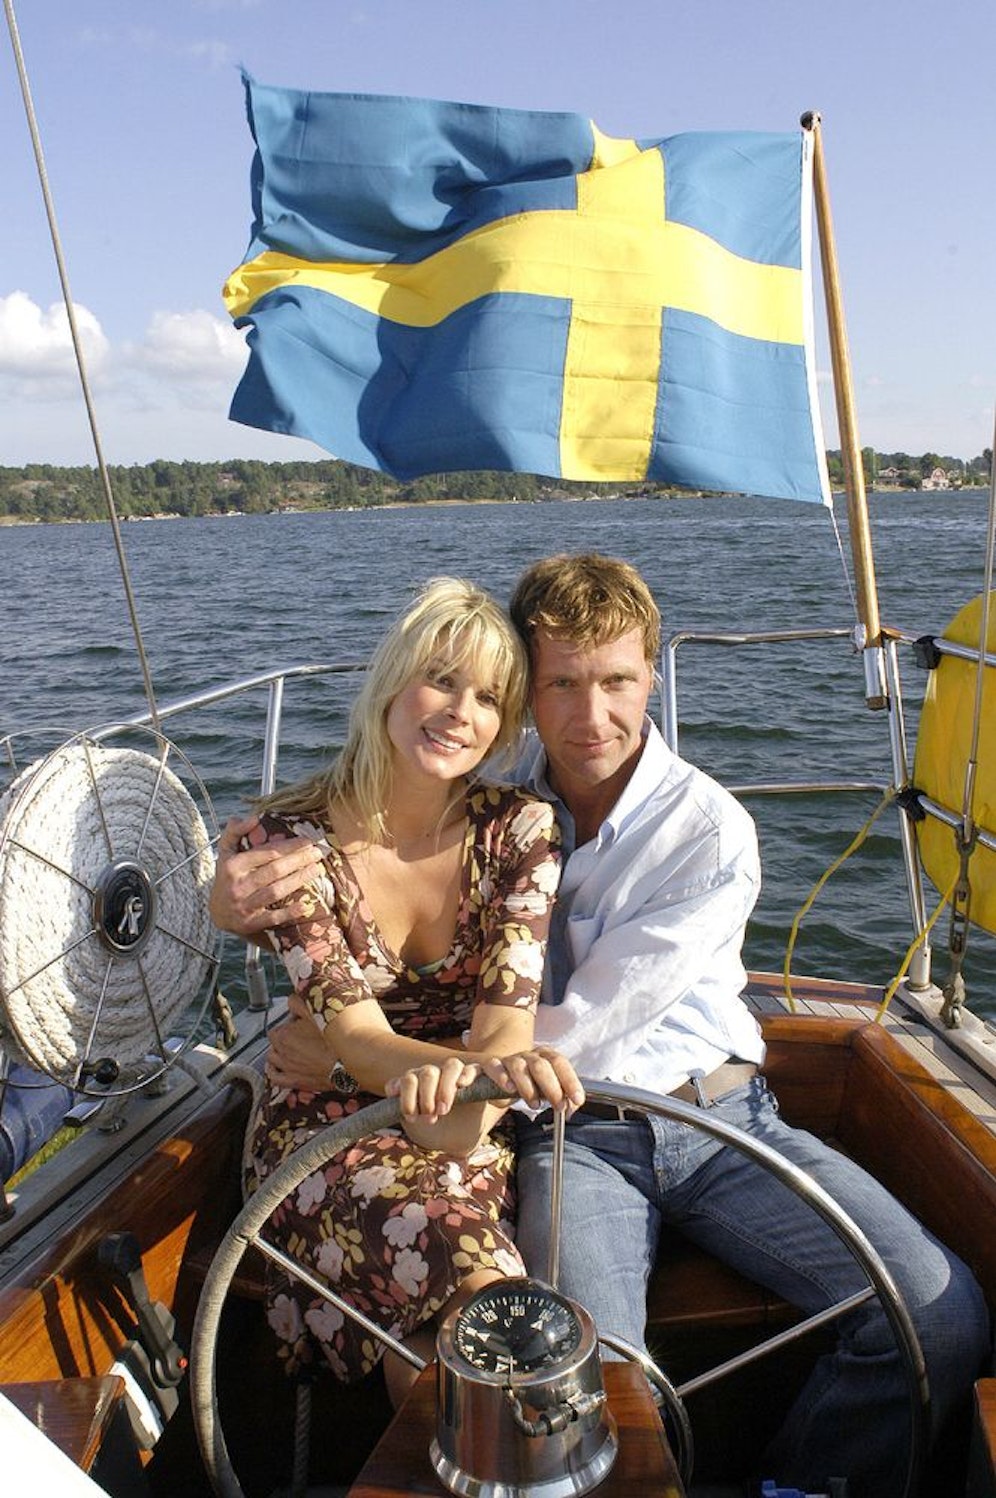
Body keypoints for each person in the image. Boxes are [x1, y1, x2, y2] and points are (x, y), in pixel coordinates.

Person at [212, 555, 990, 1498]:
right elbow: (353, 860)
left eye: (617, 681)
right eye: (563, 686)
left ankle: (794, 1485)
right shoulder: (499, 795)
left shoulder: (704, 832)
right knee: (587, 1395)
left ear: (652, 676)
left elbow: (584, 1025)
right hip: (568, 1137)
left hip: (716, 1122)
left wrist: (350, 1061)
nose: (591, 717)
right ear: (530, 695)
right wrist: (231, 904)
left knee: (939, 1318)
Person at [231, 576, 580, 1404]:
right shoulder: (292, 844)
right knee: (478, 1278)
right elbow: (356, 1039)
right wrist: (459, 1083)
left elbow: (502, 1038)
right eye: (441, 680)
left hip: (459, 1111)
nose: (461, 712)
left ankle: (468, 1449)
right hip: (321, 1123)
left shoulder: (520, 831)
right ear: (392, 681)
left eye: (488, 698)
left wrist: (463, 1091)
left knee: (445, 1337)